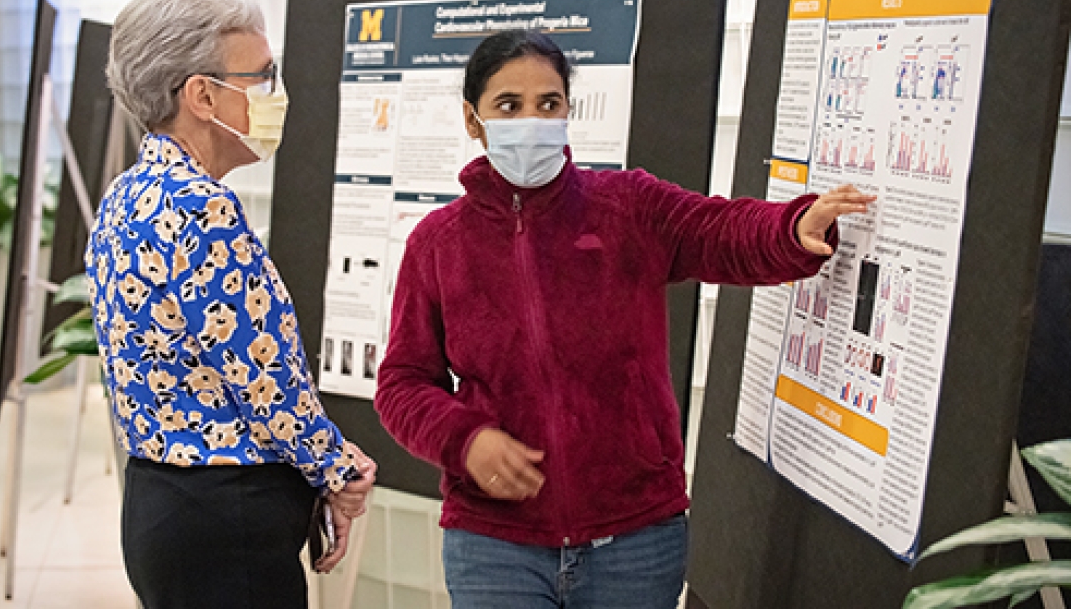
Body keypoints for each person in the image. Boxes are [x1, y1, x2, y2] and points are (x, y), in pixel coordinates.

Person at [374, 31, 874, 608]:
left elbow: (719, 230)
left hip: (636, 539)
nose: (532, 119)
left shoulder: (626, 207)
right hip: (496, 545)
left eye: (549, 103)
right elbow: (403, 383)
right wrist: (465, 440)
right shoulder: (438, 244)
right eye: (509, 106)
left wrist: (791, 228)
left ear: (568, 111)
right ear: (473, 119)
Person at [85, 0, 376, 609]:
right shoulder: (200, 208)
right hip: (227, 518)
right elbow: (261, 374)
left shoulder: (125, 195)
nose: (275, 95)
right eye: (261, 78)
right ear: (201, 96)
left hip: (161, 505)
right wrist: (339, 468)